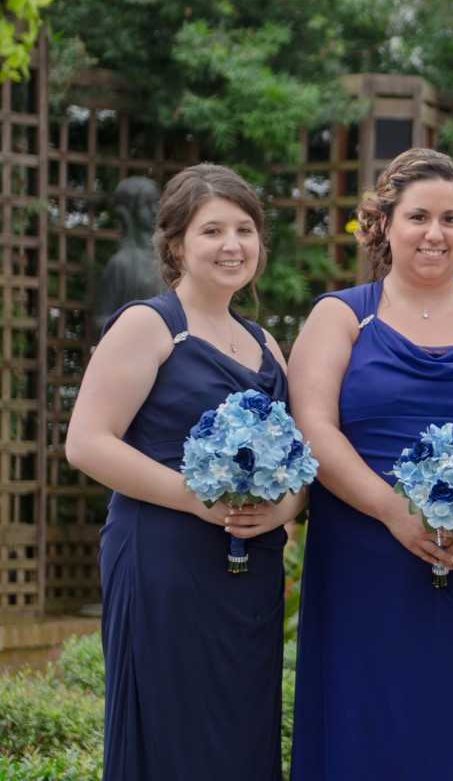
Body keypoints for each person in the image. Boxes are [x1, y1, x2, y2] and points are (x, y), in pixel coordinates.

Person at [287, 148, 453, 780]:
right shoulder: (343, 315)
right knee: (373, 726)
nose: (435, 233)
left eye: (451, 219)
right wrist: (392, 511)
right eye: (418, 217)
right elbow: (312, 428)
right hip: (366, 563)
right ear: (384, 225)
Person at [66, 163, 298, 781]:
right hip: (162, 557)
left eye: (245, 230)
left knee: (242, 724)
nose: (232, 245)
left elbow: (299, 464)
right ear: (176, 245)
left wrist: (281, 509)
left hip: (250, 566)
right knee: (172, 726)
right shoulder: (150, 325)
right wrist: (198, 499)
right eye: (212, 230)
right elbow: (87, 443)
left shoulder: (266, 345)